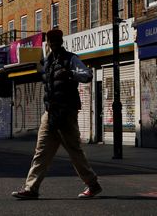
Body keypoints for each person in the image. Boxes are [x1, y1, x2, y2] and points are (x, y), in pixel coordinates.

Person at [12, 28, 102, 200]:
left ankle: (93, 185)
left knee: (74, 151)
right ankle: (31, 188)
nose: (53, 45)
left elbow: (88, 75)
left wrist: (70, 74)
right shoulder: (46, 62)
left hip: (67, 112)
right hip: (50, 112)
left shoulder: (71, 58)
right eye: (50, 42)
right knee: (41, 151)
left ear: (61, 42)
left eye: (56, 42)